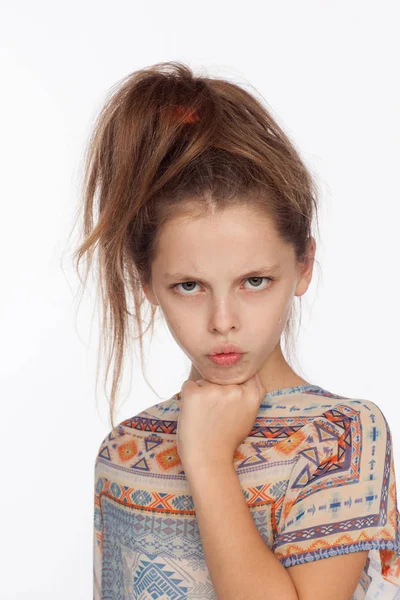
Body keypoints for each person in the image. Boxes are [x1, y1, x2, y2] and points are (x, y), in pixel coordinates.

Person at [72, 61, 400, 599]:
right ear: (147, 282)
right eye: (189, 286)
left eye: (254, 280)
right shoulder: (124, 451)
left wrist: (206, 460)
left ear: (304, 266)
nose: (223, 320)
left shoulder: (339, 439)